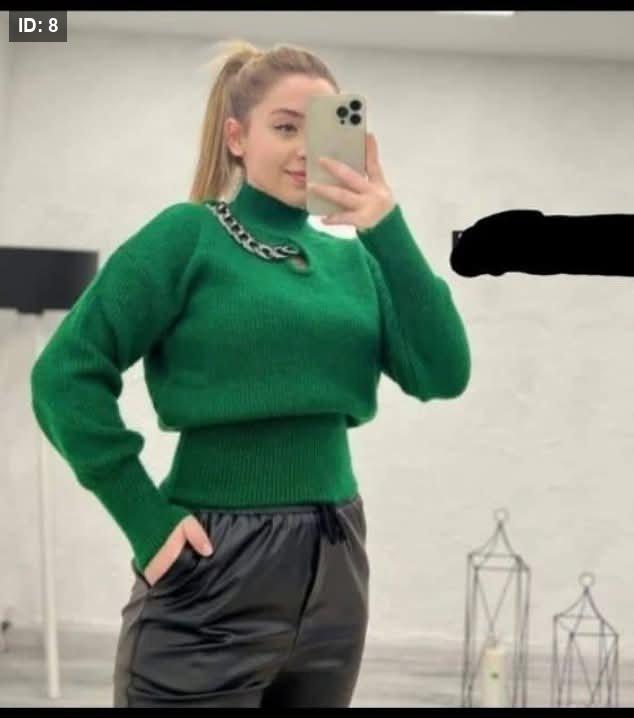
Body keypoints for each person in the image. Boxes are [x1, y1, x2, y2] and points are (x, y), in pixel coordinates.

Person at [29, 38, 471, 708]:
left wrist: (385, 225)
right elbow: (64, 374)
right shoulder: (187, 236)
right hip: (213, 562)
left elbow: (444, 371)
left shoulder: (355, 260)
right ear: (237, 137)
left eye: (321, 130)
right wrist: (145, 520)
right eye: (285, 128)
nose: (304, 149)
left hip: (335, 567)